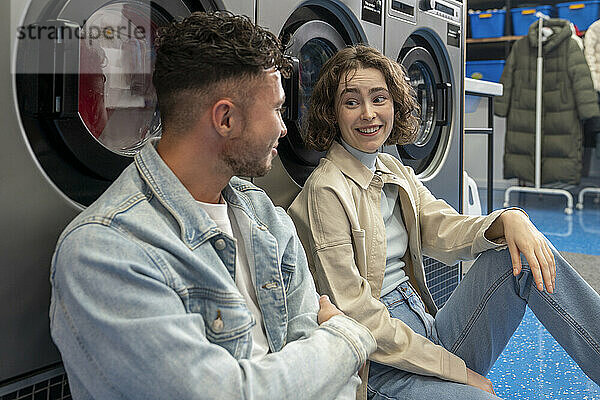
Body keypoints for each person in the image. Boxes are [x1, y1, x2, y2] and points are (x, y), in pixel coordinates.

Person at [49, 13, 376, 399]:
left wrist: (323, 364)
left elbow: (335, 384)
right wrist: (348, 338)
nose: (284, 128)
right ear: (225, 119)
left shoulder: (265, 216)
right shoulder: (107, 251)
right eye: (275, 109)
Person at [288, 44, 600, 400]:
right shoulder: (325, 191)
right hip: (377, 365)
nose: (368, 114)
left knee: (517, 255)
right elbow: (357, 316)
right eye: (351, 101)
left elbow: (444, 226)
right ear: (332, 112)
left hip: (425, 332)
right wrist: (457, 371)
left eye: (379, 98)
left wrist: (509, 219)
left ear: (395, 105)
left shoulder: (393, 170)